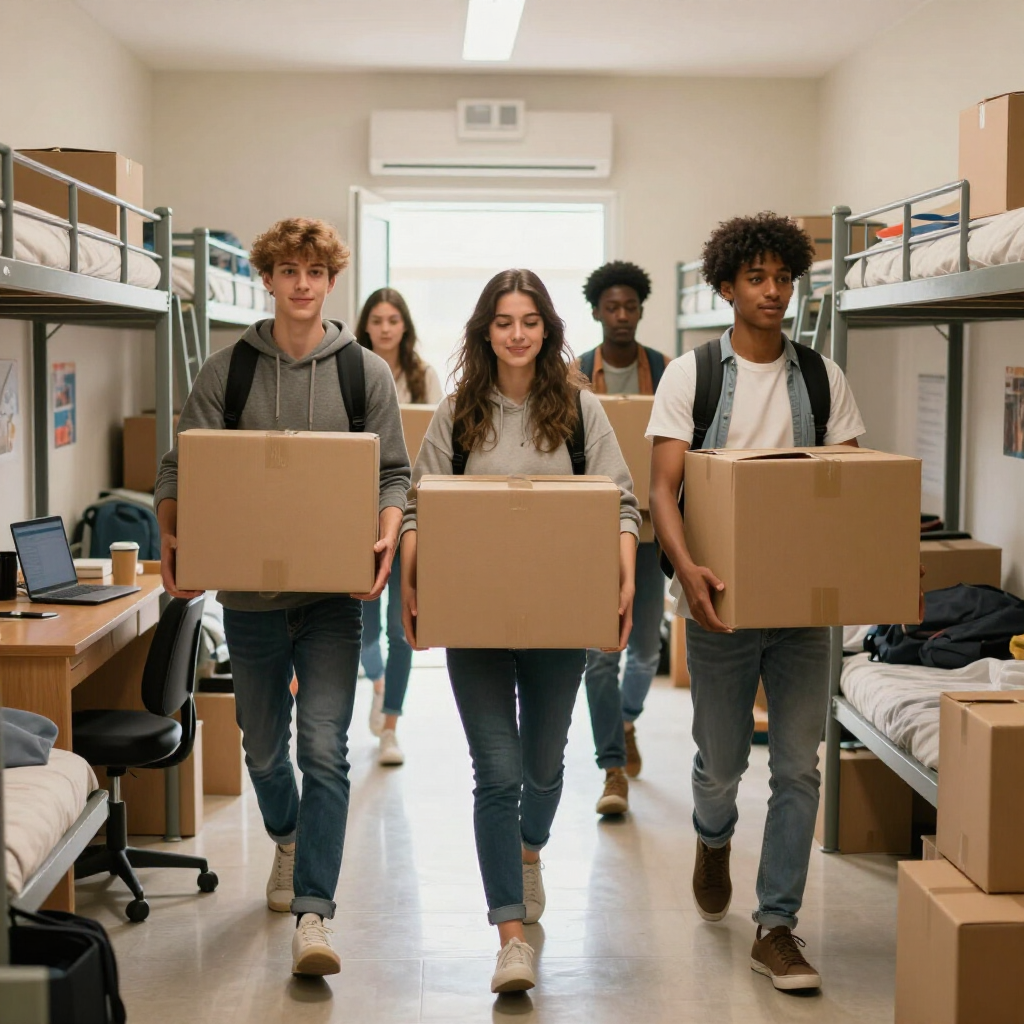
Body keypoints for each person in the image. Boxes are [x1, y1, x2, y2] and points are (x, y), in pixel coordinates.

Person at [154, 218, 411, 978]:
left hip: (335, 598)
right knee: (265, 750)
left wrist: (387, 534)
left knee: (324, 750)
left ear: (332, 281)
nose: (302, 283)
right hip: (250, 600)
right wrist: (174, 538)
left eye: (315, 271)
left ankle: (314, 913)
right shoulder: (226, 370)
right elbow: (182, 468)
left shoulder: (363, 373)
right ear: (267, 279)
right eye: (288, 270)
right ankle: (290, 839)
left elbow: (393, 474)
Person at [399, 269, 640, 995]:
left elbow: (620, 503)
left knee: (543, 767)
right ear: (484, 331)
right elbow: (417, 507)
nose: (516, 333)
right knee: (496, 773)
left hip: (558, 620)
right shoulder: (457, 413)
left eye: (528, 320)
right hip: (473, 622)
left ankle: (528, 849)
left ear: (546, 328)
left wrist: (624, 579)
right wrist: (411, 583)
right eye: (503, 321)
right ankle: (509, 934)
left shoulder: (578, 410)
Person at [647, 213, 866, 994]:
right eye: (757, 278)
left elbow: (847, 493)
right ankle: (713, 838)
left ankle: (777, 926)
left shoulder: (821, 376)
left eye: (783, 278)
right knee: (722, 763)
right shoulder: (691, 375)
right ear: (727, 285)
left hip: (804, 609)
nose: (773, 292)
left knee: (800, 767)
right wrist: (689, 569)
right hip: (721, 602)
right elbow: (663, 492)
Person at [577, 261, 667, 817]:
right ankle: (612, 766)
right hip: (594, 531)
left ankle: (625, 719)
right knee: (599, 655)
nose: (622, 316)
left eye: (630, 307)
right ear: (596, 312)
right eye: (612, 307)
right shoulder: (577, 371)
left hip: (654, 531)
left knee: (647, 650)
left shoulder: (665, 369)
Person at [355, 287, 443, 765]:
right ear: (366, 324)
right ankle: (379, 680)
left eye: (394, 319)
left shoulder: (422, 375)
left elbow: (435, 443)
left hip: (410, 509)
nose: (386, 327)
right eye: (377, 319)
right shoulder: (351, 369)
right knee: (364, 628)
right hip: (358, 512)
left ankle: (391, 724)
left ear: (404, 325)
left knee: (401, 623)